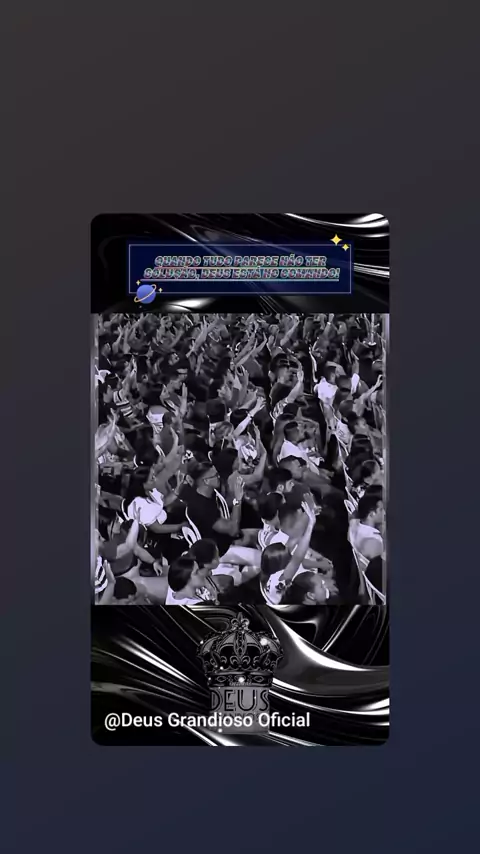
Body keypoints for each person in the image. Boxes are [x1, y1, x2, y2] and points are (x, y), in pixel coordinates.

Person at [260, 500, 317, 605]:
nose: (289, 554)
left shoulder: (269, 569)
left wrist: (308, 515)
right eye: (287, 556)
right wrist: (310, 525)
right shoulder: (280, 577)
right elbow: (297, 558)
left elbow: (292, 541)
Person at [348, 493, 385, 571]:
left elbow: (354, 514)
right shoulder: (375, 542)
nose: (384, 513)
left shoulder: (354, 525)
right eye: (381, 510)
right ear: (371, 514)